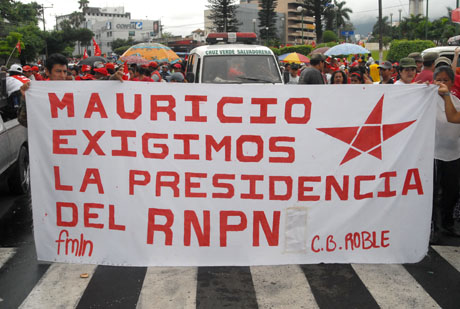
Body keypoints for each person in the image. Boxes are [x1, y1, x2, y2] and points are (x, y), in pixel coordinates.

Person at [432, 65, 460, 239]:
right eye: (438, 80)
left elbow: (452, 118)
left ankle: (448, 223)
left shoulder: (456, 102)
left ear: (452, 82)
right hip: (433, 154)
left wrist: (447, 97)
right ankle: (433, 227)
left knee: (451, 191)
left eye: (445, 80)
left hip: (454, 154)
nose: (442, 83)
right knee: (433, 192)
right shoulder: (426, 102)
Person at [17, 53, 69, 127]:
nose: (63, 76)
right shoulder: (38, 92)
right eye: (58, 71)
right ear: (47, 71)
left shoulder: (75, 92)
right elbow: (24, 122)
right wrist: (26, 99)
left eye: (65, 71)